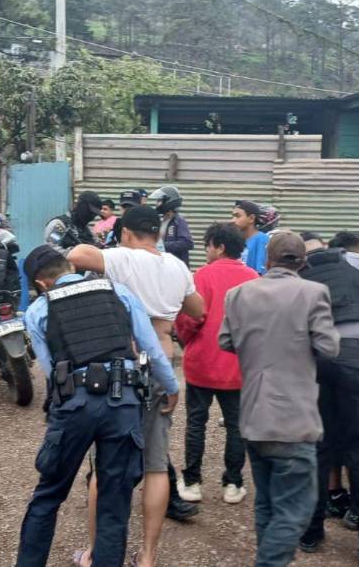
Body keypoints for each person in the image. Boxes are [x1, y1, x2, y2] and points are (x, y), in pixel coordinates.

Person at [14, 245, 179, 567]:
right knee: (114, 502)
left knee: (48, 496)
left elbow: (50, 370)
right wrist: (171, 387)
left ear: (42, 283)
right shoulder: (118, 292)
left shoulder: (39, 309)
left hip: (75, 404)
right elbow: (150, 347)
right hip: (123, 402)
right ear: (70, 268)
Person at [67, 205, 205, 567]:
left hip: (123, 365)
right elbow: (198, 308)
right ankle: (147, 557)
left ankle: (95, 553)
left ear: (126, 232)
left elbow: (76, 254)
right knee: (156, 464)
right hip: (162, 362)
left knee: (106, 462)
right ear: (157, 233)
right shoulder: (176, 265)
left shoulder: (123, 257)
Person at [219, 232, 340, 567]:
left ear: (267, 260)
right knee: (295, 510)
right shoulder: (314, 292)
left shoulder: (238, 294)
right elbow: (329, 347)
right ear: (303, 262)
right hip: (294, 419)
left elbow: (226, 341)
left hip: (254, 415)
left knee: (268, 504)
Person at [299, 232, 359, 564]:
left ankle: (310, 533)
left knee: (317, 448)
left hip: (316, 362)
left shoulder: (297, 273)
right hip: (356, 360)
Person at [175, 223, 258, 505]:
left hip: (202, 362)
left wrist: (187, 342)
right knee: (236, 426)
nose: (206, 250)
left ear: (220, 247)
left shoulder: (202, 275)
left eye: (208, 245)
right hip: (238, 366)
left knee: (196, 423)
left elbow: (189, 319)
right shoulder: (253, 277)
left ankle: (192, 482)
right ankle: (233, 484)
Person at [149, 186, 194, 266]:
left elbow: (187, 243)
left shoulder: (178, 221)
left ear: (168, 202)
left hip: (176, 267)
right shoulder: (160, 221)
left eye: (159, 201)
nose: (157, 204)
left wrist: (164, 246)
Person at [231, 200, 271, 275]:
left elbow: (260, 273)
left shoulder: (262, 240)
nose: (233, 220)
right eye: (233, 216)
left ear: (251, 218)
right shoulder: (235, 240)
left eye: (237, 216)